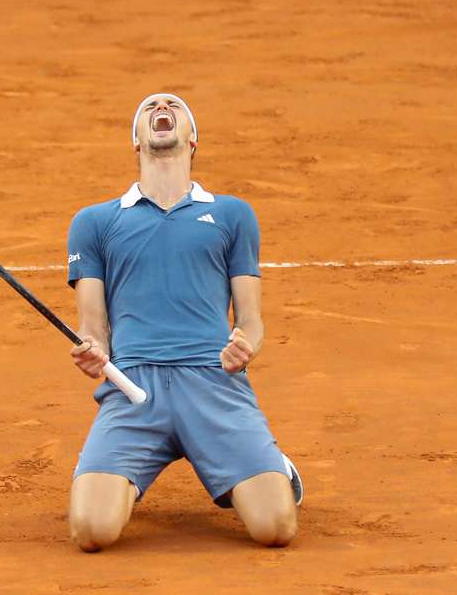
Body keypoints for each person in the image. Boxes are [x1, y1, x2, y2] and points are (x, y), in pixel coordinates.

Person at [65, 93, 302, 552]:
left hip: (214, 385)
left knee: (276, 529)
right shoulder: (94, 223)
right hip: (134, 390)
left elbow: (251, 320)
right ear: (135, 141)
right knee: (91, 533)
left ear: (192, 139)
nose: (162, 108)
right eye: (150, 106)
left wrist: (245, 347)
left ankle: (276, 467)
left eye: (174, 105)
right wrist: (92, 351)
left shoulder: (233, 215)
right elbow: (93, 326)